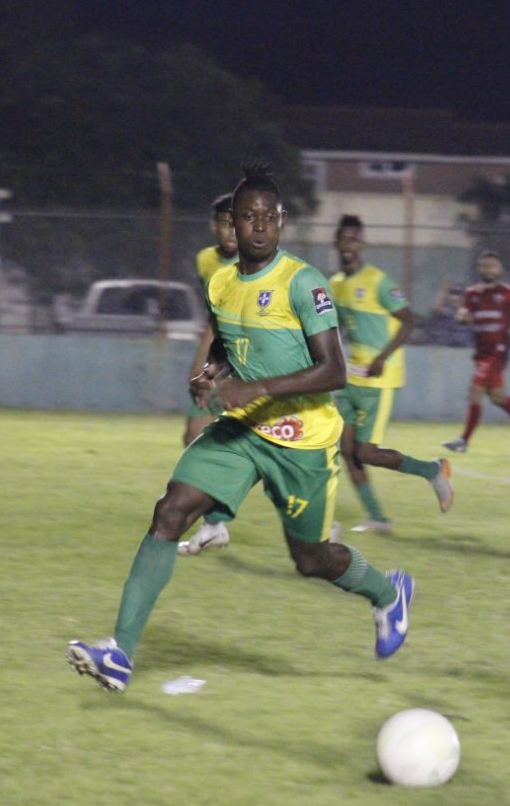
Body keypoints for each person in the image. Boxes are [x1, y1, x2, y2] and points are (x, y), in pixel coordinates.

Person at [66, 164, 413, 693]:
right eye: (245, 217)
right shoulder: (222, 283)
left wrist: (257, 388)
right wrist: (213, 373)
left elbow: (333, 370)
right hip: (243, 432)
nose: (256, 227)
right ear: (232, 222)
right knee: (170, 511)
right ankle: (119, 653)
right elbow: (233, 343)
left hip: (303, 441)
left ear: (281, 221)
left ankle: (388, 594)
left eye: (266, 218)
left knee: (312, 559)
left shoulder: (303, 283)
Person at [328, 214, 454, 534]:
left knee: (366, 453)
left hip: (379, 379)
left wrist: (383, 358)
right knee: (346, 449)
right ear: (337, 243)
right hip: (350, 378)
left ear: (363, 244)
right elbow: (339, 326)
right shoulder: (335, 284)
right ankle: (378, 519)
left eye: (355, 239)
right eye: (344, 239)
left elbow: (409, 320)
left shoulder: (379, 281)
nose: (349, 245)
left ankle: (433, 470)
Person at [176, 193, 240, 555]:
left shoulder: (255, 264)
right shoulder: (205, 261)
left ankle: (319, 526)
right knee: (194, 434)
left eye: (236, 222)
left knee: (275, 451)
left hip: (256, 362)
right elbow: (212, 320)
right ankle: (215, 524)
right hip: (221, 359)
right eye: (224, 223)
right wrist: (201, 366)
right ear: (213, 226)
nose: (230, 230)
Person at [441, 250, 510, 453]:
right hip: (481, 352)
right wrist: (461, 316)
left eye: (492, 266)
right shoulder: (472, 294)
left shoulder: (507, 293)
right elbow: (463, 312)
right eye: (484, 266)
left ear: (499, 269)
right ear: (480, 269)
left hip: (498, 351)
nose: (488, 269)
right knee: (497, 397)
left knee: (475, 390)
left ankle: (464, 441)